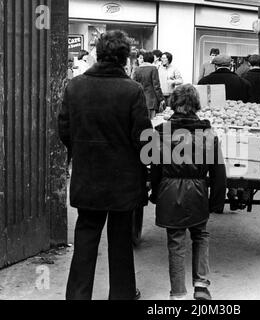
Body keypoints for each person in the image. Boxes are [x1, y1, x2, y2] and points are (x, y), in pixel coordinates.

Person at [58, 30, 152, 300]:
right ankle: (121, 295)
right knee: (120, 241)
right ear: (125, 58)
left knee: (85, 239)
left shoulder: (75, 86)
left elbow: (64, 129)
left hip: (87, 178)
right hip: (122, 182)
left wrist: (82, 152)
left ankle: (77, 295)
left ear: (98, 53)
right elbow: (142, 139)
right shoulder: (132, 91)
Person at [150, 84, 226, 300]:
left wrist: (155, 193)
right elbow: (219, 172)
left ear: (173, 104)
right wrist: (216, 202)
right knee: (200, 234)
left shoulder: (160, 133)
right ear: (196, 105)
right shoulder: (209, 134)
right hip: (198, 192)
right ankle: (201, 285)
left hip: (169, 191)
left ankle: (178, 294)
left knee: (175, 241)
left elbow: (155, 169)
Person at [133, 51, 165, 119]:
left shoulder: (137, 69)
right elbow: (156, 86)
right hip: (151, 100)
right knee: (152, 122)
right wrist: (161, 99)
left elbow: (134, 84)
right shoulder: (153, 69)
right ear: (152, 59)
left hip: (139, 101)